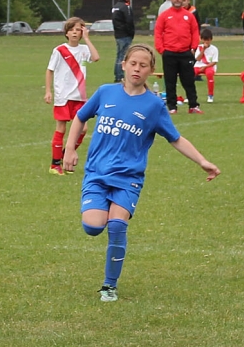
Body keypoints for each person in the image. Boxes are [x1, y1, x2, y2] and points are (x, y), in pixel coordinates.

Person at [63, 43, 220, 302]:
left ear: (151, 70)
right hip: (97, 174)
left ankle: (109, 286)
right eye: (133, 64)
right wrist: (70, 149)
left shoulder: (153, 105)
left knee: (117, 225)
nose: (137, 69)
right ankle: (103, 213)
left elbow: (175, 138)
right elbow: (80, 117)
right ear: (123, 65)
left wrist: (202, 161)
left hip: (128, 179)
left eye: (143, 65)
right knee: (92, 227)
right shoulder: (105, 92)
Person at [45, 17, 100, 175]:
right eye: (72, 30)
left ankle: (65, 156)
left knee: (83, 129)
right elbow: (50, 70)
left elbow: (96, 58)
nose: (75, 33)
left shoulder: (84, 49)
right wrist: (48, 91)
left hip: (80, 97)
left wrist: (87, 39)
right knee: (61, 128)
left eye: (78, 30)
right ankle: (55, 164)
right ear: (66, 33)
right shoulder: (59, 50)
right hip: (63, 96)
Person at [154, 0, 202, 114]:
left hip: (185, 53)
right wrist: (161, 49)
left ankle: (193, 105)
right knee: (170, 81)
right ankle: (172, 107)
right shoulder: (164, 15)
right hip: (169, 53)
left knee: (189, 81)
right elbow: (158, 32)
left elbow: (195, 32)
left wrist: (193, 47)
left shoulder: (189, 16)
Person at [111, 0, 135, 83]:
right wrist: (131, 33)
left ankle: (117, 75)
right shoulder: (126, 7)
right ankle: (120, 76)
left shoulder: (115, 6)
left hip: (118, 34)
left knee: (119, 55)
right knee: (123, 56)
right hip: (125, 35)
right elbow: (129, 21)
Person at [193, 28, 218, 102]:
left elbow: (214, 62)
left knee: (210, 74)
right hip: (198, 66)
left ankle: (210, 95)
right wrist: (203, 50)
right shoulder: (199, 47)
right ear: (202, 39)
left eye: (208, 40)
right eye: (204, 40)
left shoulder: (214, 49)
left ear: (211, 40)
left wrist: (205, 67)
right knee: (190, 74)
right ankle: (190, 96)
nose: (206, 42)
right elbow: (198, 59)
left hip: (209, 66)